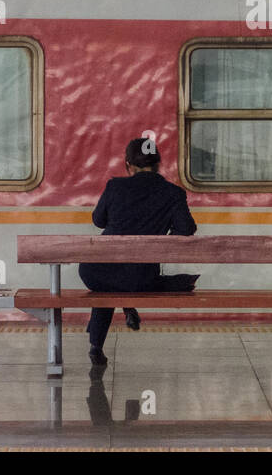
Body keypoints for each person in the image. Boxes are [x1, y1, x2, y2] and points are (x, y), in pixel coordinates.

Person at [80, 137, 198, 364]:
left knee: (110, 286)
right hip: (139, 278)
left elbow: (98, 220)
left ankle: (96, 345)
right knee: (138, 279)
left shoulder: (114, 186)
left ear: (128, 165)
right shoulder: (173, 193)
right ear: (158, 164)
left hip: (95, 272)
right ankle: (130, 304)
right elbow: (185, 230)